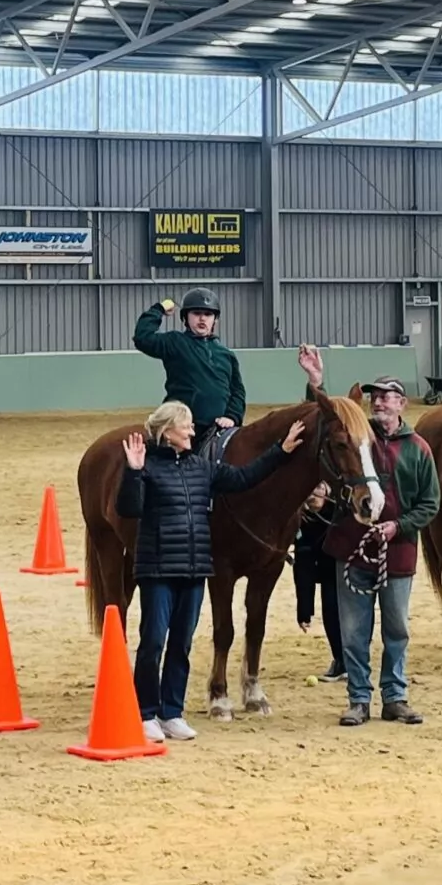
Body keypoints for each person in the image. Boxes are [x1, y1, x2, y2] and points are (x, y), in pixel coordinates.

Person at [117, 402, 301, 743]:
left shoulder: (201, 468)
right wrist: (132, 471)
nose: (191, 431)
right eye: (185, 426)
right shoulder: (147, 468)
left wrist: (282, 449)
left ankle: (171, 712)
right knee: (154, 641)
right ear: (166, 431)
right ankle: (145, 713)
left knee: (181, 644)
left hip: (193, 569)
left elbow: (246, 476)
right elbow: (128, 508)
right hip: (157, 569)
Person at [325, 376, 438, 727]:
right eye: (375, 397)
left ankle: (395, 696)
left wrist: (398, 526)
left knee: (397, 628)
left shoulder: (419, 448)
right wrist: (316, 379)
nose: (379, 402)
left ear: (402, 404)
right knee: (354, 629)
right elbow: (326, 419)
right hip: (353, 547)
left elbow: (430, 502)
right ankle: (359, 698)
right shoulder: (358, 439)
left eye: (389, 397)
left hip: (398, 551)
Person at [133, 290, 244, 462]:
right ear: (185, 317)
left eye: (208, 314)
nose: (202, 319)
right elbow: (142, 338)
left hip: (218, 427)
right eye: (196, 313)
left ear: (215, 320)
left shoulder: (226, 355)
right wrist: (159, 309)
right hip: (180, 426)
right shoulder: (175, 342)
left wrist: (232, 416)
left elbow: (237, 391)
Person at [291, 480, 345, 684]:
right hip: (323, 571)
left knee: (344, 613)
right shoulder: (301, 520)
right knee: (330, 610)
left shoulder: (339, 510)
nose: (312, 494)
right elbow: (302, 567)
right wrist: (304, 611)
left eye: (318, 488)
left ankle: (350, 661)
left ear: (327, 490)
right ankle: (341, 660)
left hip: (345, 567)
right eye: (308, 489)